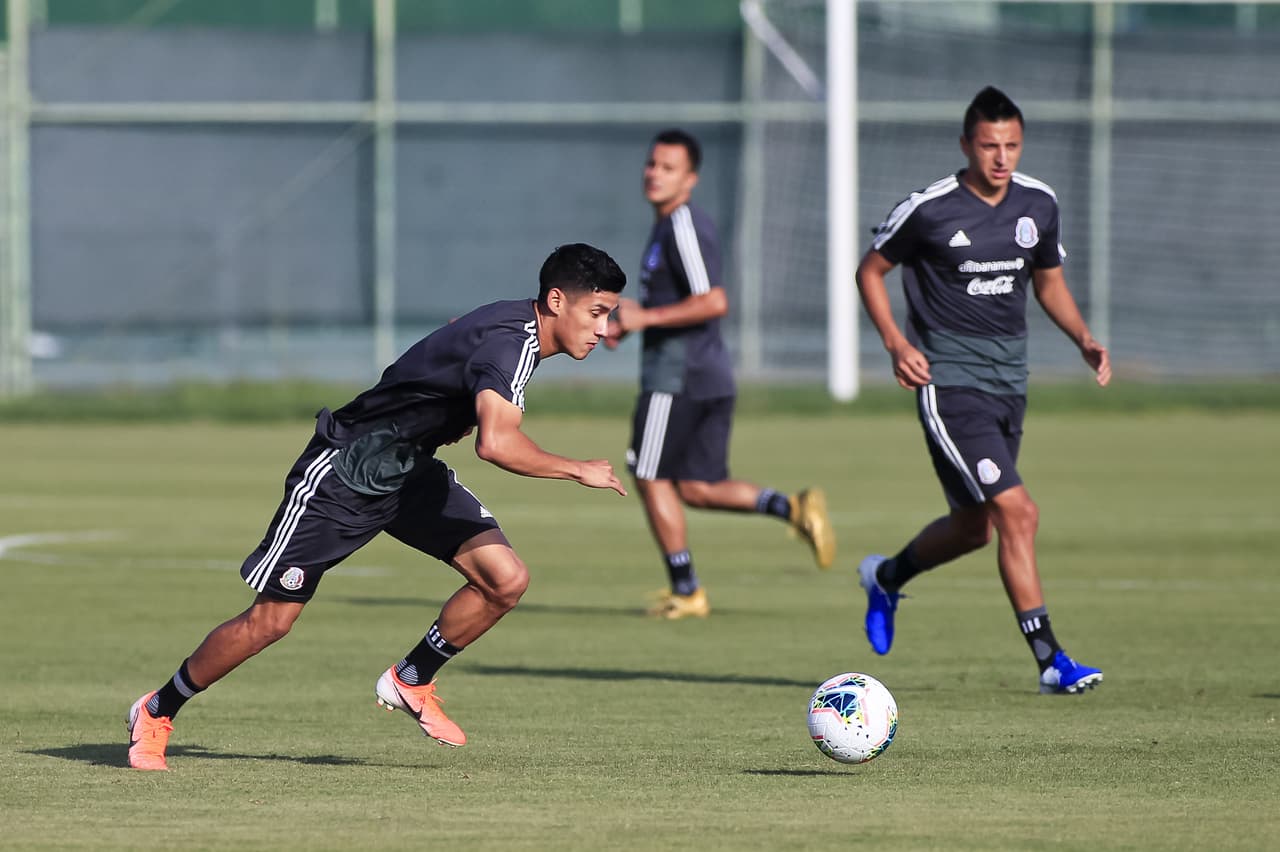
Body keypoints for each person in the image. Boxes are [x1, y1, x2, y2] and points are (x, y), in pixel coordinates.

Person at [127, 243, 629, 770]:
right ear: (555, 301)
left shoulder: (513, 327)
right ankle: (157, 710)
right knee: (270, 623)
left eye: (609, 316)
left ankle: (410, 678)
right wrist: (578, 468)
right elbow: (497, 444)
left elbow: (450, 347)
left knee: (504, 579)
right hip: (345, 472)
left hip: (408, 469)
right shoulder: (512, 345)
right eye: (596, 313)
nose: (603, 330)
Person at [853, 87, 1111, 694]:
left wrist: (1083, 338)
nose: (1002, 158)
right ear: (967, 144)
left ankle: (885, 577)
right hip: (948, 381)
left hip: (1008, 381)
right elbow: (870, 270)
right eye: (990, 146)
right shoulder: (930, 209)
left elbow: (1048, 281)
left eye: (1012, 146)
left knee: (976, 527)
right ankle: (1051, 660)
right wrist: (895, 343)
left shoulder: (1038, 203)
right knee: (1018, 513)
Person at [606, 127, 836, 621]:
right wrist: (636, 322)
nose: (654, 174)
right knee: (697, 487)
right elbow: (683, 301)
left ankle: (687, 590)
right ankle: (792, 508)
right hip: (706, 372)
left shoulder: (682, 223)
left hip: (678, 375)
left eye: (668, 168)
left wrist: (644, 317)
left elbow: (714, 300)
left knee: (648, 474)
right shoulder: (668, 225)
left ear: (690, 180)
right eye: (651, 164)